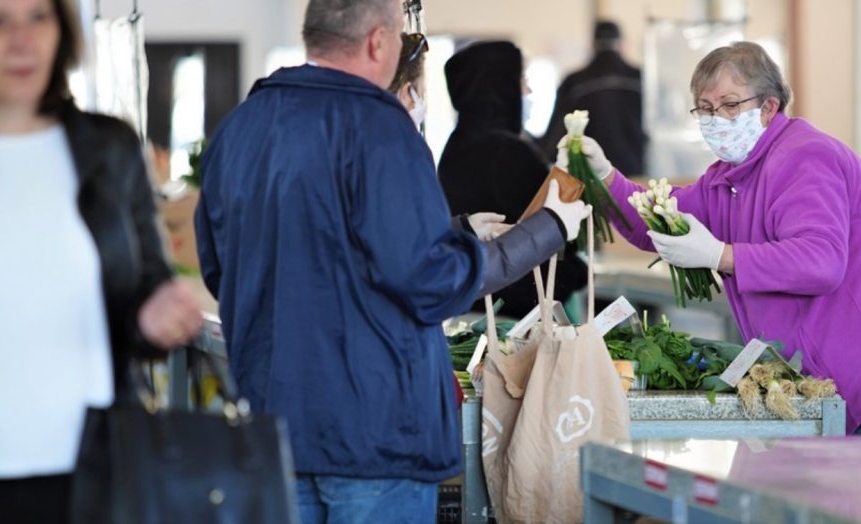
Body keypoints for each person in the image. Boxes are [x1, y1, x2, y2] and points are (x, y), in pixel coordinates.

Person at [194, 0, 589, 521]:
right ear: (379, 42)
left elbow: (225, 266)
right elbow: (432, 280)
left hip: (273, 422)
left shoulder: (240, 128)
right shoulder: (380, 129)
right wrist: (549, 229)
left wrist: (456, 232)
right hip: (373, 431)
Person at [559, 41, 861, 434]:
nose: (716, 118)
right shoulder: (728, 176)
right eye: (705, 108)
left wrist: (721, 254)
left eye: (730, 104)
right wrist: (604, 177)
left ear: (769, 107)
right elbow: (659, 219)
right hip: (819, 390)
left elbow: (820, 261)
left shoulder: (806, 157)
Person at [0, 0, 203, 521]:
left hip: (91, 471)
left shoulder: (107, 148)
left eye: (38, 18)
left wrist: (155, 317)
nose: (22, 40)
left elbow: (146, 289)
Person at [439, 40, 588, 320]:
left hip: (473, 307)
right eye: (521, 79)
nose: (528, 90)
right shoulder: (508, 151)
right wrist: (577, 272)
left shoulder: (456, 145)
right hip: (519, 316)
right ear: (498, 86)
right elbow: (552, 230)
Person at [390, 31, 510, 243]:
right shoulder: (400, 154)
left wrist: (462, 228)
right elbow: (413, 247)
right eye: (422, 91)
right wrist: (551, 225)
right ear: (407, 92)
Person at [540, 20, 646, 176]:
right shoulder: (642, 79)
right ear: (623, 44)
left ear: (593, 44)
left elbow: (556, 134)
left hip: (592, 178)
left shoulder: (575, 82)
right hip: (638, 173)